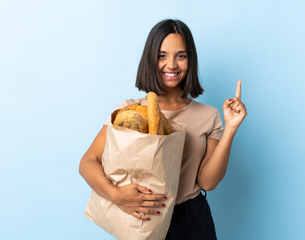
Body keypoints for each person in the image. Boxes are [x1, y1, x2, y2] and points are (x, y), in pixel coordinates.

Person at [79, 19, 247, 240]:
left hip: (191, 219)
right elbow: (88, 162)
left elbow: (208, 182)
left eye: (181, 55)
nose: (172, 64)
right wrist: (116, 195)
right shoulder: (130, 110)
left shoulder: (209, 116)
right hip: (144, 215)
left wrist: (230, 129)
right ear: (151, 59)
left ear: (190, 60)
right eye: (162, 55)